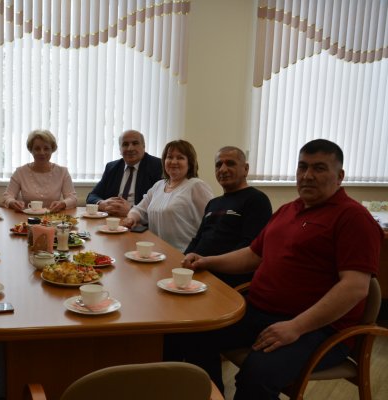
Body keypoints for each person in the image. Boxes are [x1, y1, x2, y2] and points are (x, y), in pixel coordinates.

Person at [164, 139, 384, 399]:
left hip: (317, 328)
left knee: (257, 374)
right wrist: (206, 261)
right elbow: (252, 256)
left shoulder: (353, 218)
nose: (307, 176)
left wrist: (296, 326)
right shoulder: (287, 211)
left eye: (319, 168)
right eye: (302, 167)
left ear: (340, 176)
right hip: (260, 312)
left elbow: (355, 287)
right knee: (188, 333)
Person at [185, 146, 272, 287]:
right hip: (198, 275)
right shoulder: (213, 203)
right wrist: (184, 261)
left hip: (227, 282)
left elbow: (250, 248)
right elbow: (197, 240)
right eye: (218, 165)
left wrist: (208, 263)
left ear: (246, 169)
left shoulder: (257, 199)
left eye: (230, 163)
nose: (223, 169)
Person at [122, 140, 213, 251]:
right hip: (156, 253)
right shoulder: (159, 185)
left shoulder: (196, 186)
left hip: (184, 254)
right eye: (169, 157)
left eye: (180, 158)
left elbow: (211, 223)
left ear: (190, 163)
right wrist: (131, 218)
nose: (173, 162)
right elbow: (139, 210)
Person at [86, 130, 162, 217]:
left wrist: (132, 210)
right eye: (125, 144)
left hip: (140, 222)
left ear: (143, 146)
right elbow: (92, 196)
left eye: (135, 143)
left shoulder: (157, 166)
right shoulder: (112, 167)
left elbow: (160, 204)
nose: (130, 148)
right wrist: (102, 203)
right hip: (111, 219)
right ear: (120, 149)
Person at [2, 129, 77, 212]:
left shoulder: (62, 172)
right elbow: (7, 196)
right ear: (31, 150)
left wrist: (63, 203)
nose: (42, 152)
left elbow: (72, 198)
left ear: (52, 150)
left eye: (46, 148)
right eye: (37, 149)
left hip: (53, 219)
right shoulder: (20, 172)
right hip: (26, 219)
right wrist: (12, 202)